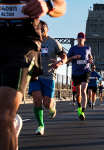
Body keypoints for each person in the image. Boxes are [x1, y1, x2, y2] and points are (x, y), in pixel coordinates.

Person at [0, 0, 66, 149]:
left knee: (3, 114)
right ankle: (11, 123)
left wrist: (47, 6)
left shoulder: (52, 42)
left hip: (22, 46)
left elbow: (61, 5)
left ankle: (16, 122)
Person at [28, 20, 67, 135]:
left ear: (47, 30)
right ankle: (40, 125)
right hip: (35, 75)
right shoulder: (32, 41)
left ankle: (52, 107)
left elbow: (64, 56)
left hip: (49, 76)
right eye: (38, 28)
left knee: (47, 104)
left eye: (43, 29)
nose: (40, 30)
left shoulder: (53, 42)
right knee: (37, 100)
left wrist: (59, 63)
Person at [67, 32, 93, 120]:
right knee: (78, 93)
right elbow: (66, 60)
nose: (80, 39)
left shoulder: (88, 48)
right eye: (79, 37)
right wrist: (74, 57)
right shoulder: (73, 48)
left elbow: (91, 58)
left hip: (85, 71)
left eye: (82, 38)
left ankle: (82, 111)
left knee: (83, 90)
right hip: (75, 73)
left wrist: (90, 60)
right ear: (77, 39)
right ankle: (79, 108)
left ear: (84, 39)